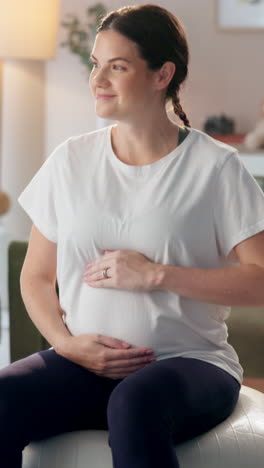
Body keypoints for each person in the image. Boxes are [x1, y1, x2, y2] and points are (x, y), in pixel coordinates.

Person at [1, 4, 264, 468]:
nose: (98, 79)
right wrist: (66, 344)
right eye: (96, 64)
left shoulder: (216, 168)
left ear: (162, 74)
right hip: (84, 362)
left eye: (117, 67)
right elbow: (36, 276)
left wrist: (157, 275)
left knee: (135, 402)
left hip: (192, 363)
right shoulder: (70, 161)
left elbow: (260, 278)